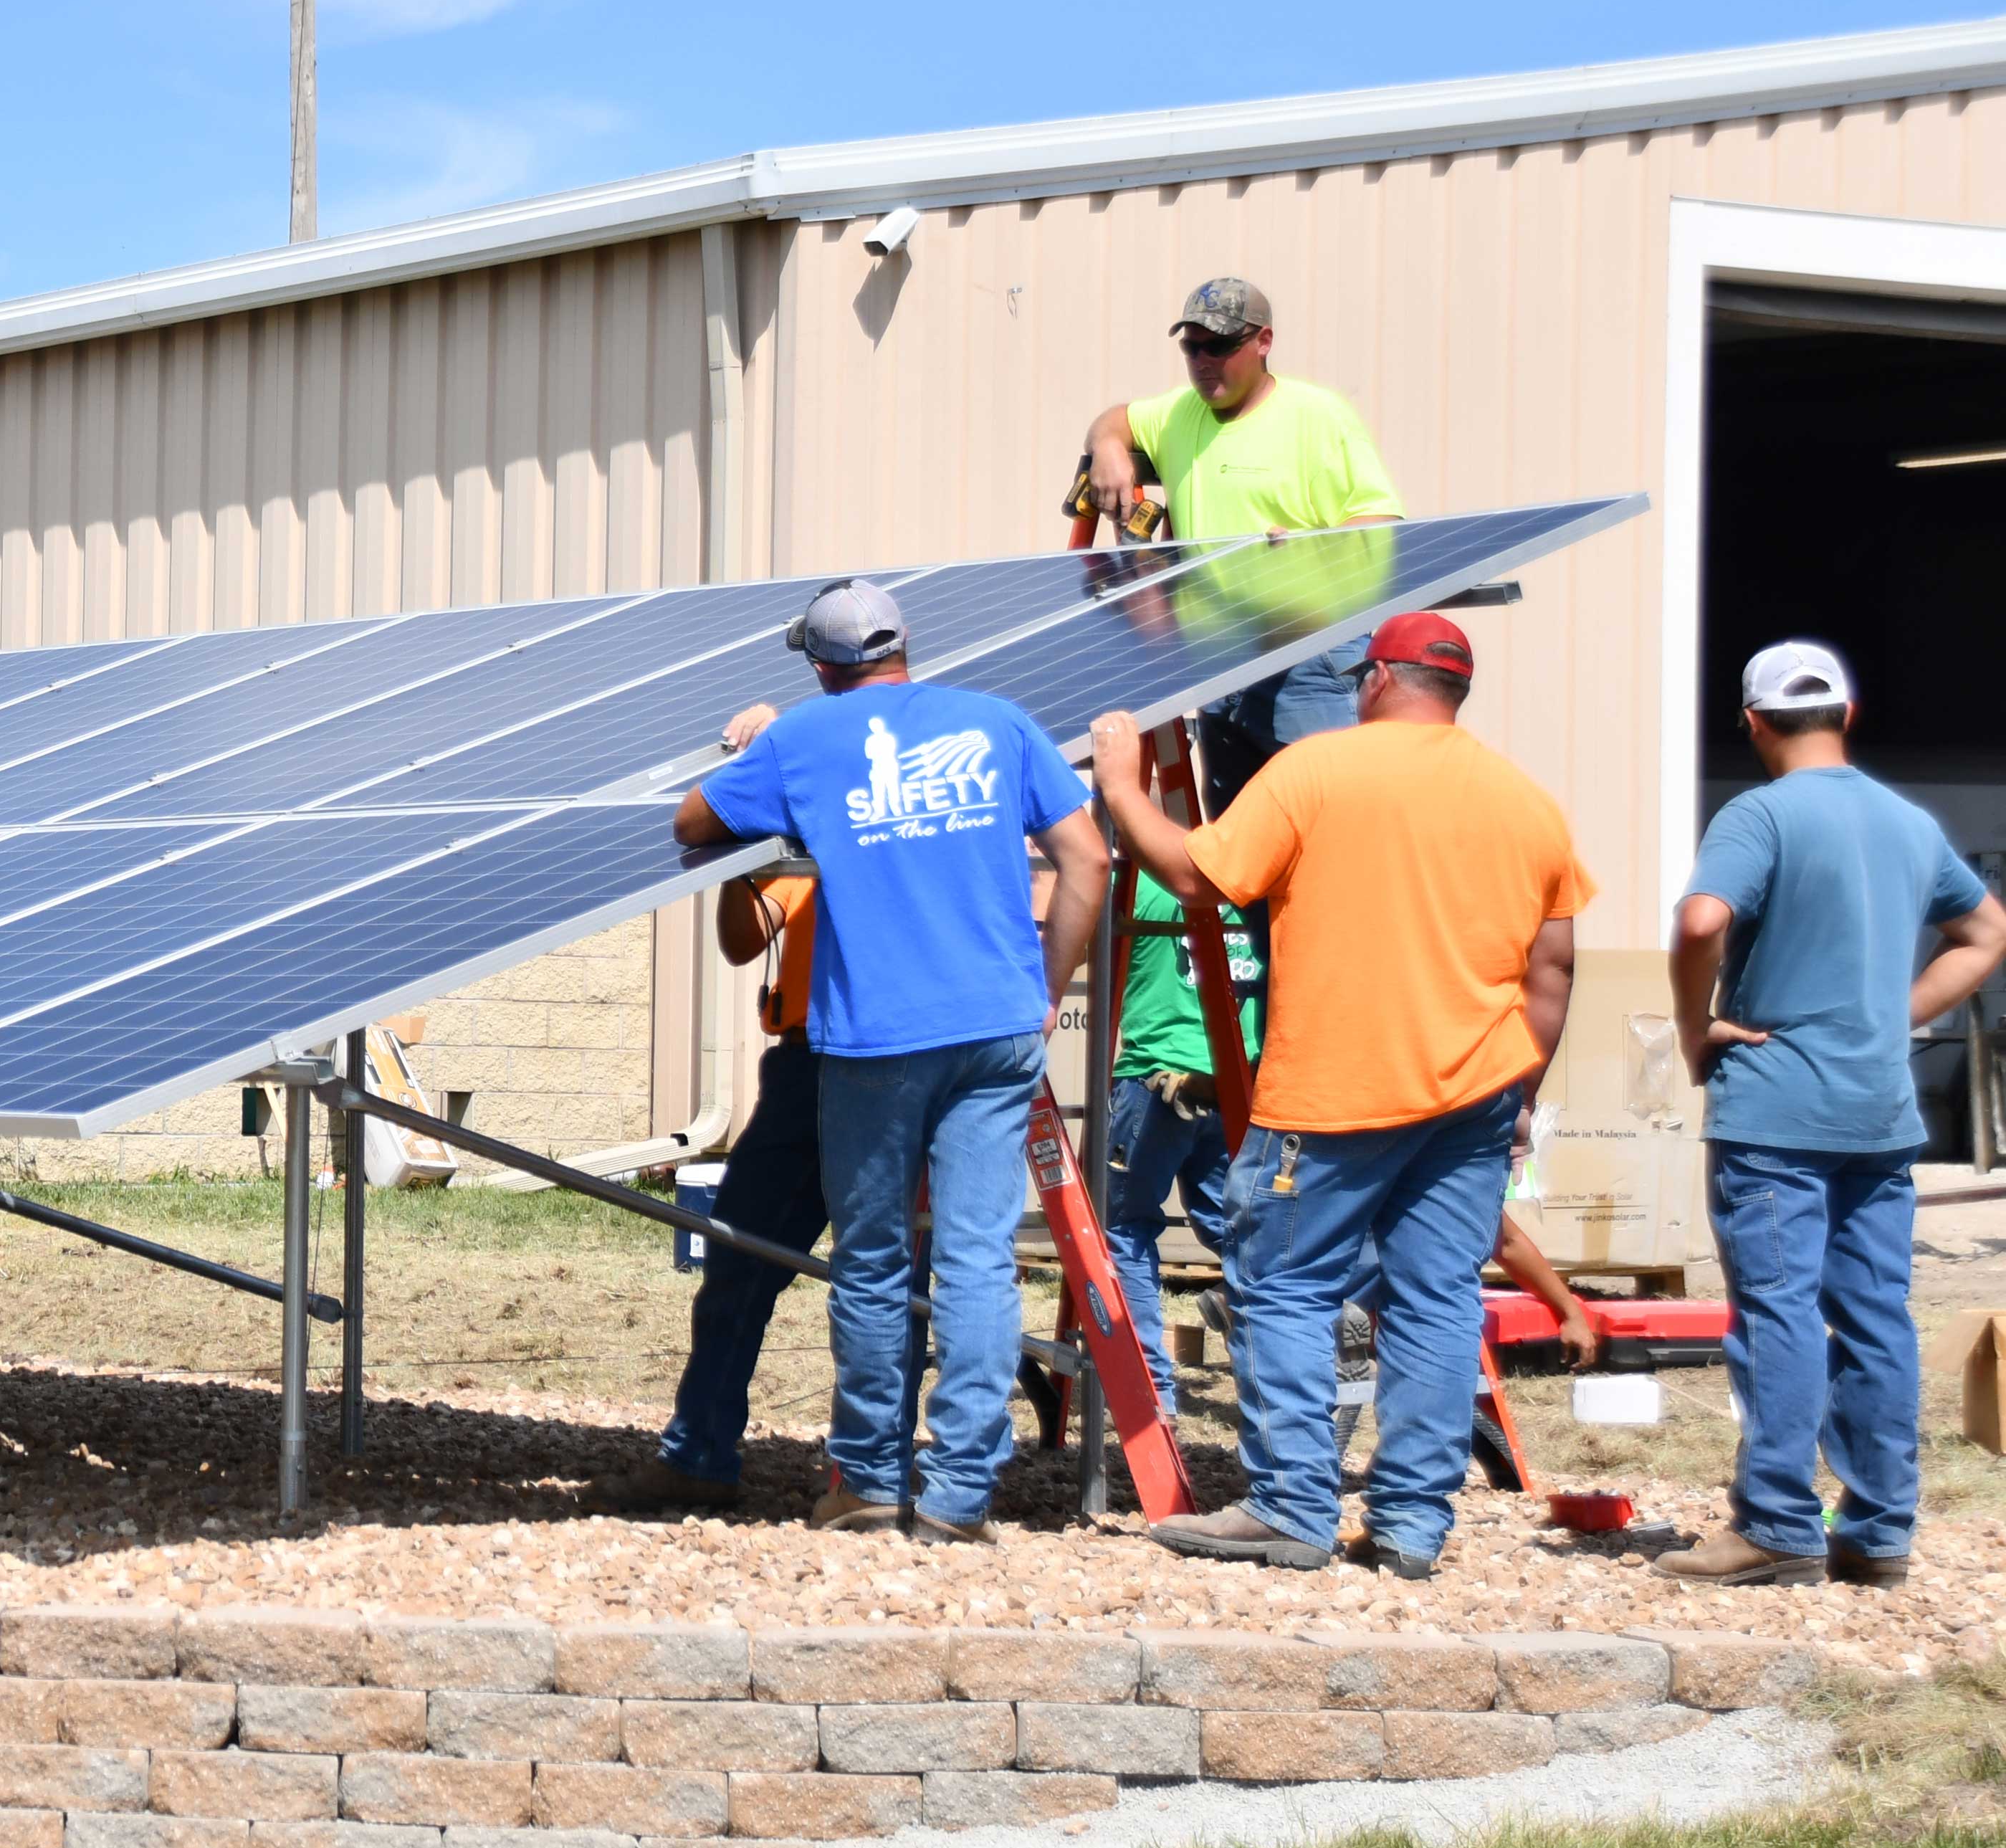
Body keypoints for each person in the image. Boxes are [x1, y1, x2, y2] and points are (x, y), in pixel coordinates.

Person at [1089, 610, 1587, 1578]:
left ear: (1376, 681)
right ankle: (1409, 1527)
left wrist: (1118, 782)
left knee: (1282, 1283)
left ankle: (1291, 1508)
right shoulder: (1526, 803)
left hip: (1331, 1093)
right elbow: (1556, 968)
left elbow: (1195, 878)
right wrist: (1522, 1087)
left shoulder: (1315, 773)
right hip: (1474, 1095)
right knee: (1436, 1301)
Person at [677, 581, 1108, 1543]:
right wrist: (1047, 983)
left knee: (873, 1264)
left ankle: (869, 1481)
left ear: (822, 668)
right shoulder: (999, 724)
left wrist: (759, 752)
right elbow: (1089, 860)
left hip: (876, 1040)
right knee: (978, 1263)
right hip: (999, 1031)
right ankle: (961, 1498)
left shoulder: (806, 737)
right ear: (907, 645)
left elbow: (693, 824)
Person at [1661, 641, 2004, 1589]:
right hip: (1878, 1113)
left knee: (1779, 1312)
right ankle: (1881, 1530)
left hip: (1777, 1110)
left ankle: (1777, 1524)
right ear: (1848, 716)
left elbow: (1699, 922)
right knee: (1875, 1315)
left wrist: (1699, 1026)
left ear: (1754, 723)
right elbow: (1987, 933)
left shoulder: (1760, 814)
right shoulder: (1904, 822)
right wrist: (1895, 1016)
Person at [1081, 277, 1403, 814]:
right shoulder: (1179, 413)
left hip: (1308, 656)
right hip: (1219, 658)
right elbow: (1117, 418)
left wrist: (1313, 547)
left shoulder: (1319, 417)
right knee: (1242, 846)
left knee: (1326, 824)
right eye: (1192, 347)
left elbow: (1381, 518)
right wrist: (1108, 445)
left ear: (1263, 342)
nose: (1205, 360)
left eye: (1222, 345)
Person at [593, 768, 821, 1515]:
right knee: (741, 1254)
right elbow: (740, 938)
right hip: (811, 1067)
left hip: (868, 1067)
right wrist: (745, 854)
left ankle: (879, 1471)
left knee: (892, 1272)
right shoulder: (804, 852)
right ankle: (701, 1454)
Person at [1099, 866, 1261, 1411]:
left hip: (1160, 1079)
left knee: (1124, 1226)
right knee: (1244, 1235)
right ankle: (1273, 1391)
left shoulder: (1140, 882)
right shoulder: (1253, 878)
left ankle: (1151, 1395)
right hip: (1236, 1082)